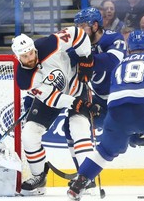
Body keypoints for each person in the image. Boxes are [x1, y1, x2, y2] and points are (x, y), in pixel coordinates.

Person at [67, 30, 144, 201]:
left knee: (104, 151)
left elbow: (121, 95)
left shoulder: (119, 66)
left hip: (116, 112)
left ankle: (79, 183)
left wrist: (131, 131)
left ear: (128, 49)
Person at [11, 29, 101, 195]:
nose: (30, 58)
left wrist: (86, 59)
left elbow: (78, 34)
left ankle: (86, 178)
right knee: (29, 134)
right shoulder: (24, 79)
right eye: (25, 57)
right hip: (53, 95)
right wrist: (78, 103)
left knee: (79, 127)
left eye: (31, 53)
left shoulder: (48, 44)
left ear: (34, 48)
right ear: (18, 57)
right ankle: (39, 177)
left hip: (76, 82)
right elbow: (53, 99)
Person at [73, 7, 126, 150]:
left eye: (82, 26)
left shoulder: (114, 38)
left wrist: (85, 61)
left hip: (120, 100)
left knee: (126, 143)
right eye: (77, 27)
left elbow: (112, 61)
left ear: (95, 25)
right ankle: (82, 163)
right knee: (72, 124)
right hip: (98, 100)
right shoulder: (79, 45)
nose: (79, 31)